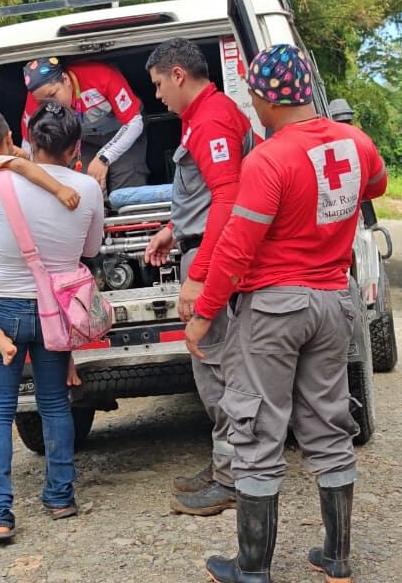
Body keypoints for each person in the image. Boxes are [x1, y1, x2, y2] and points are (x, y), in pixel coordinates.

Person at [184, 44, 387, 583]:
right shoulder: (357, 143)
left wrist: (204, 313)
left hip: (274, 307)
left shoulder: (268, 158)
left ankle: (252, 567)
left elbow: (236, 246)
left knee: (256, 427)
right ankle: (337, 557)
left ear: (262, 98)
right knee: (329, 422)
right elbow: (375, 185)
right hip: (331, 303)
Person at [0, 104, 103, 542]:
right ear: (76, 147)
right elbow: (91, 247)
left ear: (28, 139)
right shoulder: (88, 187)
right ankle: (60, 497)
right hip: (56, 309)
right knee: (55, 404)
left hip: (5, 309)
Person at [140, 38, 254, 516]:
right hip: (201, 250)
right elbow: (206, 197)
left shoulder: (211, 120)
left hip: (212, 262)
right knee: (211, 370)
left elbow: (228, 200)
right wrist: (172, 229)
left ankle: (231, 480)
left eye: (159, 84)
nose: (158, 96)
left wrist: (199, 274)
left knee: (217, 371)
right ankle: (223, 465)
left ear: (179, 75)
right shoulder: (204, 117)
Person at [0, 107, 82, 386]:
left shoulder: (10, 159)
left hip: (10, 236)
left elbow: (27, 166)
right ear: (9, 134)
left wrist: (60, 190)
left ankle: (66, 359)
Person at [21, 57, 149, 192]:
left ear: (66, 79)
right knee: (81, 187)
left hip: (122, 129)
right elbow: (29, 143)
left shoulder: (100, 75)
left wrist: (104, 157)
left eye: (53, 94)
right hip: (83, 138)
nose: (51, 103)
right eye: (42, 102)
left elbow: (134, 122)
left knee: (128, 180)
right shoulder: (36, 98)